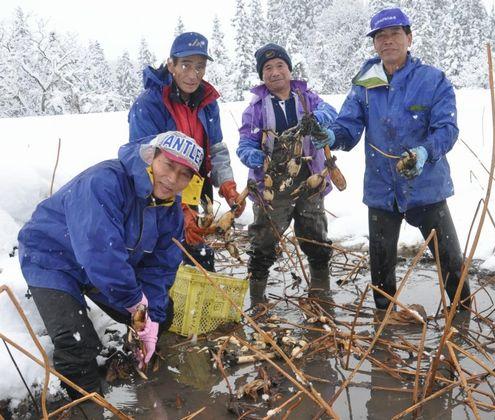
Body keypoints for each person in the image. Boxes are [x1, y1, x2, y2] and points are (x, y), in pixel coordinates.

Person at [18, 131, 203, 400]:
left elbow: (160, 267)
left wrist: (149, 320)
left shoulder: (170, 209)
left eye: (184, 174)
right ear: (152, 157)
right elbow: (100, 254)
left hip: (100, 272)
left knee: (161, 315)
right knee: (77, 344)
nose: (173, 179)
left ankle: (142, 363)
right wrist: (135, 302)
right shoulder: (104, 182)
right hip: (52, 257)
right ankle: (90, 406)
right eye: (168, 166)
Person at [314, 8, 471, 310]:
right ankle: (384, 328)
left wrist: (424, 152)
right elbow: (349, 124)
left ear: (409, 38)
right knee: (381, 269)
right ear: (374, 44)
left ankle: (462, 318)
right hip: (381, 189)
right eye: (380, 36)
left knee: (450, 261)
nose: (387, 41)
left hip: (425, 186)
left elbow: (447, 128)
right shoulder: (365, 82)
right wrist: (333, 136)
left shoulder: (432, 80)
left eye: (395, 34)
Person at [128, 32, 245, 271]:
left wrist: (227, 184)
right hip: (162, 188)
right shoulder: (150, 104)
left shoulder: (208, 102)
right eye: (186, 65)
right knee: (165, 252)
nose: (193, 75)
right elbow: (140, 158)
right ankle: (157, 302)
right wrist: (178, 208)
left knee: (199, 251)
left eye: (200, 67)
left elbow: (216, 149)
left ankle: (194, 297)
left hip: (195, 185)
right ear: (171, 64)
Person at [236, 43, 338, 304]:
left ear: (290, 70)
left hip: (309, 180)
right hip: (272, 187)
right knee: (263, 243)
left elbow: (330, 112)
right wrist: (251, 154)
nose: (275, 72)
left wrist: (319, 119)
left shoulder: (307, 98)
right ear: (262, 75)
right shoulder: (256, 108)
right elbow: (245, 141)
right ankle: (257, 300)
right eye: (268, 68)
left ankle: (320, 294)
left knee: (315, 238)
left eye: (280, 65)